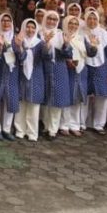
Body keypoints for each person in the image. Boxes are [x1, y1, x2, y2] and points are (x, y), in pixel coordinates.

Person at [0, 13, 23, 141]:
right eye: (3, 21)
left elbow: (22, 58)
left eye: (8, 21)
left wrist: (19, 47)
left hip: (12, 75)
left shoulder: (16, 38)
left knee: (11, 102)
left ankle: (6, 129)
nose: (6, 23)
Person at [84, 8, 107, 135]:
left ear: (98, 20)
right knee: (85, 97)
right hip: (85, 67)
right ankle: (83, 123)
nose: (92, 21)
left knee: (101, 97)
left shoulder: (104, 34)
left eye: (94, 19)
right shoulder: (81, 33)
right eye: (89, 18)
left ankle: (99, 124)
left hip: (102, 68)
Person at [41, 11, 71, 139]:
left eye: (54, 19)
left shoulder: (61, 34)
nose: (52, 21)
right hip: (43, 69)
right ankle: (46, 126)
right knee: (45, 99)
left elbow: (68, 55)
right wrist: (46, 43)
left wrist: (66, 44)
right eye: (49, 19)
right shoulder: (39, 33)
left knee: (56, 101)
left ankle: (53, 130)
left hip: (59, 70)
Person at [61, 15, 92, 137]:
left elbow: (90, 53)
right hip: (67, 70)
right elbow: (61, 53)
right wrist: (68, 55)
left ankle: (74, 125)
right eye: (70, 23)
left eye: (75, 23)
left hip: (81, 70)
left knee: (77, 98)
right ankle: (64, 125)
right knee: (67, 97)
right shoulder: (62, 36)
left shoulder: (81, 38)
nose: (73, 26)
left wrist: (93, 46)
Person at [15, 19, 44, 142]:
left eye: (33, 27)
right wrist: (20, 46)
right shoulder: (17, 41)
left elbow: (47, 56)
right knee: (21, 104)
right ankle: (20, 130)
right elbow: (19, 58)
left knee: (34, 106)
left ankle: (32, 133)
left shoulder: (40, 43)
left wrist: (47, 44)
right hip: (21, 76)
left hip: (36, 77)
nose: (30, 30)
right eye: (28, 27)